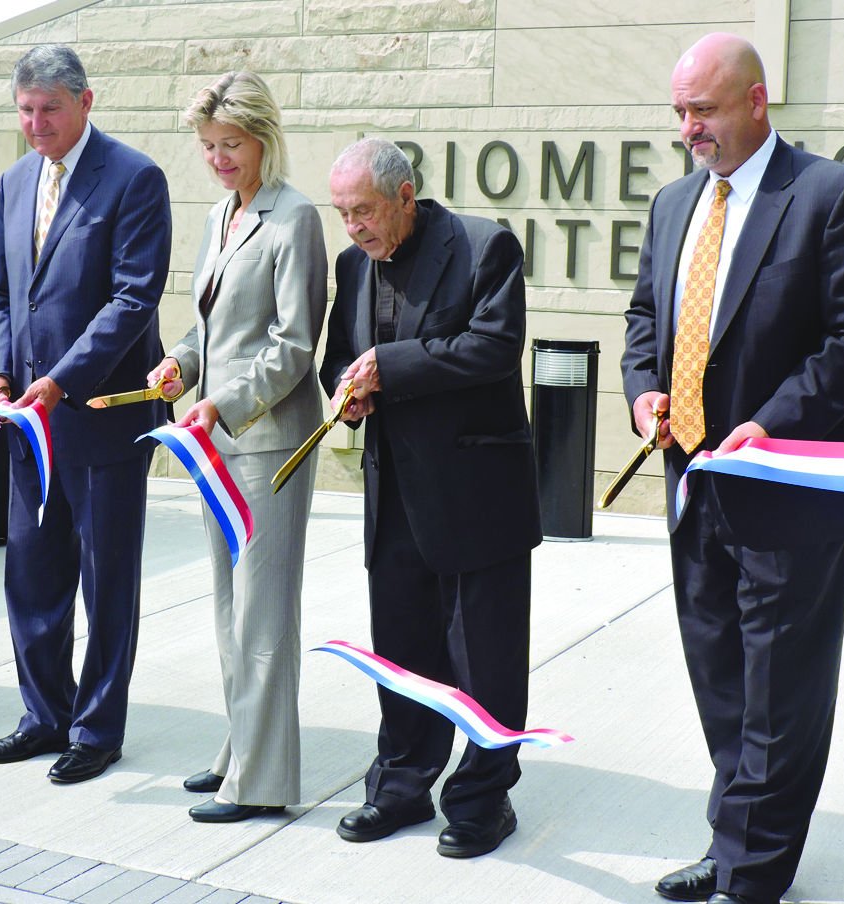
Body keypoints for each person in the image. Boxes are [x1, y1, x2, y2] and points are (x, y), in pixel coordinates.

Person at [621, 34, 844, 904]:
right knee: (722, 676)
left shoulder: (833, 194)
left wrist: (767, 426)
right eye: (679, 113)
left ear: (756, 100)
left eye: (702, 110)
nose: (688, 128)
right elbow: (642, 321)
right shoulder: (673, 205)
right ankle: (734, 834)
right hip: (692, 483)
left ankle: (751, 873)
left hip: (790, 486)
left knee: (782, 688)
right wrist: (642, 394)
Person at [319, 138, 541, 858]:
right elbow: (335, 364)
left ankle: (482, 800)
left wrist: (389, 365)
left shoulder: (484, 247)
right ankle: (402, 784)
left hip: (478, 495)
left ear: (406, 196)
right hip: (394, 498)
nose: (355, 227)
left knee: (485, 661)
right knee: (404, 651)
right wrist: (346, 398)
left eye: (366, 211)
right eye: (344, 213)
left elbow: (493, 348)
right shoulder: (353, 266)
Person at [0, 44, 172, 782]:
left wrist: (57, 379)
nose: (35, 124)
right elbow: (2, 297)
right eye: (25, 110)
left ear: (87, 102)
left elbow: (132, 299)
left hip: (99, 418)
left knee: (105, 583)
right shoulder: (16, 181)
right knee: (31, 577)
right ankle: (42, 716)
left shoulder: (134, 178)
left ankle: (96, 729)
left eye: (49, 108)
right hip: (27, 427)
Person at [146, 71, 327, 824]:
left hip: (267, 441)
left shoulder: (296, 219)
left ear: (264, 140)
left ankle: (262, 779)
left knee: (262, 614)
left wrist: (221, 401)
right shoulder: (223, 213)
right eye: (209, 145)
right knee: (228, 607)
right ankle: (239, 748)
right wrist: (180, 365)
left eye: (232, 144)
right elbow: (210, 328)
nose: (219, 157)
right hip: (215, 441)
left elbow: (294, 346)